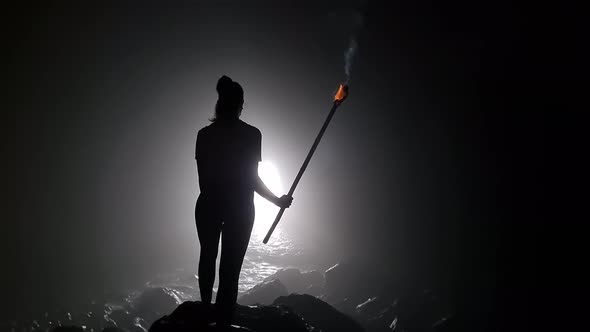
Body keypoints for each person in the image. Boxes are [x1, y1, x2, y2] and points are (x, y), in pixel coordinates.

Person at [194, 75, 293, 328]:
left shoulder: (204, 135)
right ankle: (223, 321)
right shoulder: (251, 134)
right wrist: (276, 201)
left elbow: (204, 181)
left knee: (208, 258)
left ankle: (206, 312)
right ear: (240, 105)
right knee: (230, 271)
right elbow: (252, 179)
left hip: (210, 205)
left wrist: (221, 196)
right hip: (239, 208)